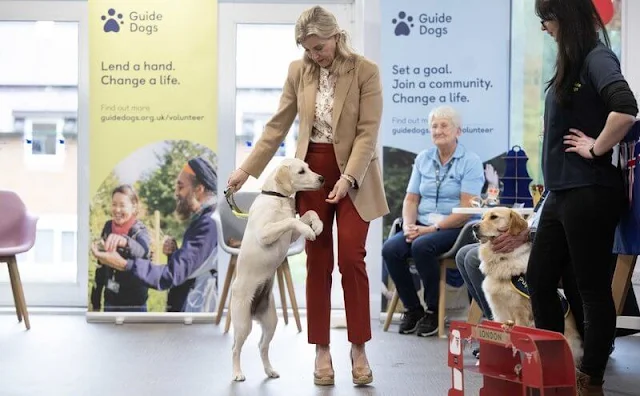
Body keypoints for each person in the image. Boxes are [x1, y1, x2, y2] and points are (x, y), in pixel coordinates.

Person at [226, 6, 388, 386]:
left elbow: (367, 132)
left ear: (336, 36)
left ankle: (359, 347)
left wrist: (348, 177)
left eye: (320, 46)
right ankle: (321, 349)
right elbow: (277, 125)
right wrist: (246, 169)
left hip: (356, 174)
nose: (315, 55)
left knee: (351, 258)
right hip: (311, 170)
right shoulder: (299, 71)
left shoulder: (366, 71)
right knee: (317, 262)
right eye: (309, 49)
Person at [529, 1, 638, 394]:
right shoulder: (571, 63)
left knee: (588, 287)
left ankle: (590, 376)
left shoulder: (597, 56)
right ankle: (553, 370)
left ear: (567, 18)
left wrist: (595, 148)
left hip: (590, 190)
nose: (544, 27)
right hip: (561, 193)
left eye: (547, 19)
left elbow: (625, 109)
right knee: (539, 279)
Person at [381, 105, 484, 337]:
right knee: (390, 249)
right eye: (434, 126)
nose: (438, 130)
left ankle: (433, 311)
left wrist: (431, 228)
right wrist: (409, 225)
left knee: (422, 246)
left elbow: (468, 209)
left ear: (458, 131)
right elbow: (411, 199)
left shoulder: (470, 161)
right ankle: (413, 309)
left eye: (444, 125)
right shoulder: (423, 159)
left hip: (455, 228)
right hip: (421, 226)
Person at [91, 157, 219, 313]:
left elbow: (171, 274)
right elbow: (189, 269)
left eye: (181, 187)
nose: (176, 193)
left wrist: (124, 263)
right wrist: (174, 254)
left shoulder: (208, 224)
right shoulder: (204, 220)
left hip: (198, 315)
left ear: (199, 189)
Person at [90, 185, 151, 312]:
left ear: (133, 207)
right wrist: (95, 299)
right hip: (110, 301)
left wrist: (125, 241)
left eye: (122, 205)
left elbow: (143, 251)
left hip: (134, 305)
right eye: (114, 204)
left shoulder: (139, 231)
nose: (117, 210)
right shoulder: (108, 227)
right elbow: (101, 265)